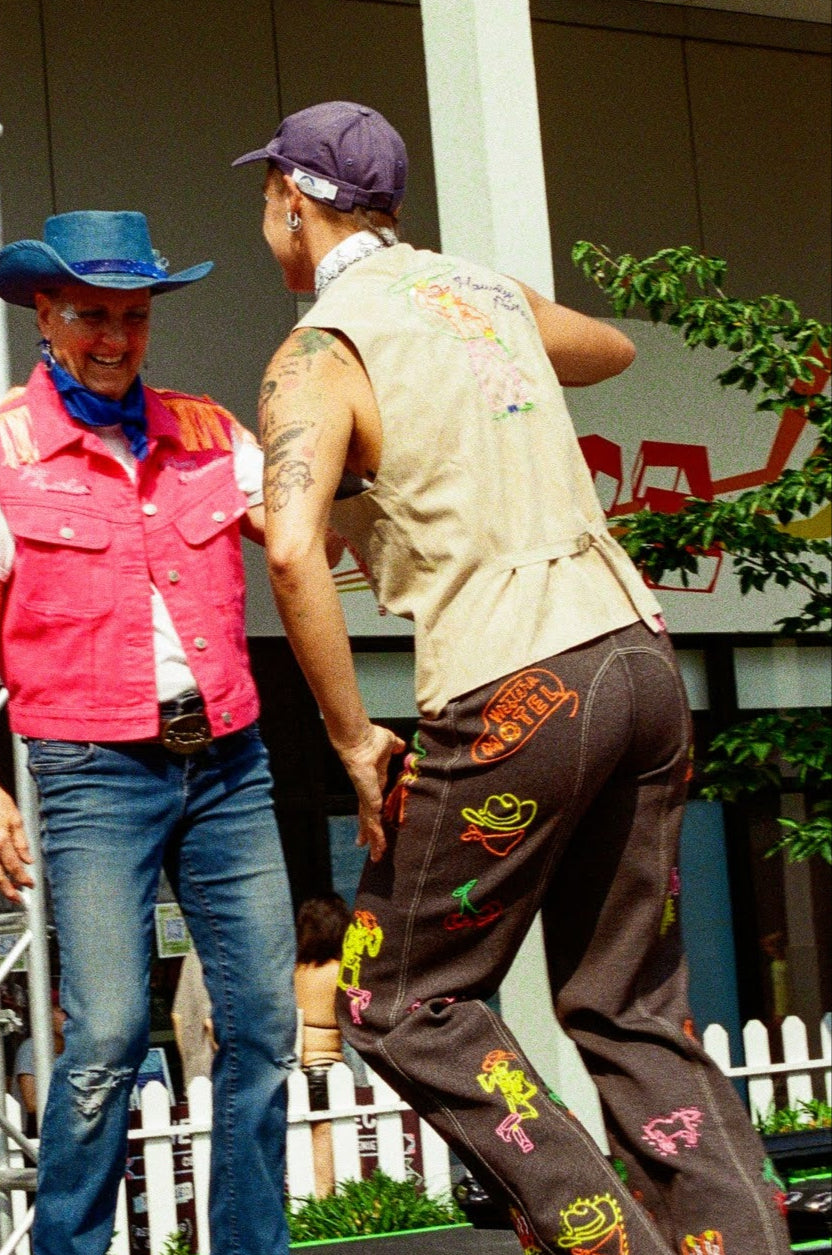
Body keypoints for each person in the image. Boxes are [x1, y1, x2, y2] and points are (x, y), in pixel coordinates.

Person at [234, 101, 791, 1255]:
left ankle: (609, 1239)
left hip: (516, 679)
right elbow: (613, 348)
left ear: (293, 200)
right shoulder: (477, 295)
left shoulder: (317, 353)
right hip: (638, 660)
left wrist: (350, 740)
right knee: (626, 1001)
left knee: (397, 996)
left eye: (268, 201)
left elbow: (290, 548)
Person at [0, 210, 297, 1255]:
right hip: (87, 770)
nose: (115, 337)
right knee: (110, 1035)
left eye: (133, 315)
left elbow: (311, 529)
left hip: (230, 763)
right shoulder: (6, 446)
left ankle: (253, 1248)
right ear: (46, 312)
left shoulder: (210, 432)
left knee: (265, 1024)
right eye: (91, 314)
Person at [294, 893, 367, 1196]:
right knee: (332, 1146)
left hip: (300, 1070)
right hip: (330, 1069)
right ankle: (326, 1208)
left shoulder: (295, 973)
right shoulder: (341, 972)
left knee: (306, 1146)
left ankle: (312, 1205)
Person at [11, 991, 66, 1135]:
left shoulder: (76, 1049)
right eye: (61, 1011)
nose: (68, 1018)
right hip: (34, 1137)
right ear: (45, 1015)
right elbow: (32, 1103)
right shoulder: (32, 1048)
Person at [171, 945, 217, 1092]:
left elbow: (178, 1016)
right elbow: (214, 1026)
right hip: (228, 1078)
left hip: (202, 1078)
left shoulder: (198, 953)